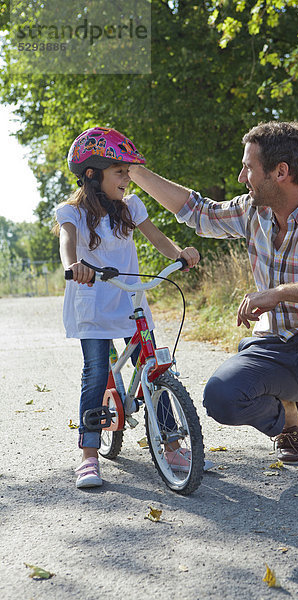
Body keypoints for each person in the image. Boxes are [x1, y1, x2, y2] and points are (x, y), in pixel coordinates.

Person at [128, 120, 298, 495]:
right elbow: (196, 211)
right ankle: (289, 419)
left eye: (248, 167)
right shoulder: (253, 211)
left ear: (280, 172)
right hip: (273, 350)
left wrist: (280, 292)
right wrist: (134, 170)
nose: (240, 177)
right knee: (221, 397)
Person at [54, 126, 202, 489]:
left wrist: (179, 254)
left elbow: (157, 238)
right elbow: (67, 245)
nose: (126, 177)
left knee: (153, 365)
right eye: (120, 171)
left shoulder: (131, 206)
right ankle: (89, 456)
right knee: (94, 372)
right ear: (92, 174)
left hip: (129, 298)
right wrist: (74, 266)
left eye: (128, 171)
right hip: (93, 304)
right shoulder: (71, 212)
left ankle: (172, 447)